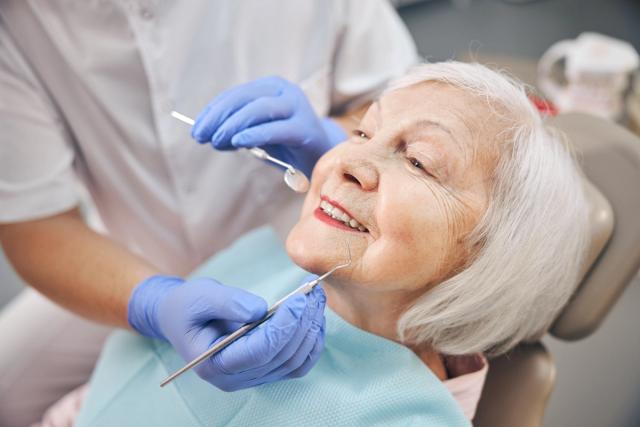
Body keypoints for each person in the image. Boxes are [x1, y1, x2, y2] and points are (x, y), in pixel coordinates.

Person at [62, 61, 590, 426]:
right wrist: (154, 306)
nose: (345, 161)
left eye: (419, 161)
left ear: (487, 254)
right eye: (362, 133)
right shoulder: (262, 263)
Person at [0, 1, 419, 425]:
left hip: (317, 246)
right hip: (134, 262)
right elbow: (35, 224)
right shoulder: (15, 26)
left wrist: (333, 138)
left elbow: (412, 113)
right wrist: (154, 304)